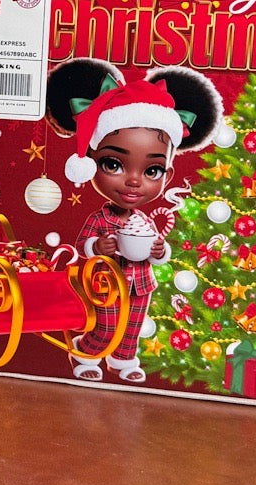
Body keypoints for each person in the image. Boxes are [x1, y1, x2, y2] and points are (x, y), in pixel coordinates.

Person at [46, 59, 226, 384]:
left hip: (141, 284)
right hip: (105, 284)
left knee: (133, 325)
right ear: (91, 162)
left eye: (152, 171)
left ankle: (124, 359)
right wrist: (97, 246)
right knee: (106, 325)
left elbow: (159, 251)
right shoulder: (100, 217)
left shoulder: (143, 220)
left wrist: (159, 250)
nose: (133, 181)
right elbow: (83, 246)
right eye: (113, 164)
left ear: (167, 174)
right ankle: (86, 351)